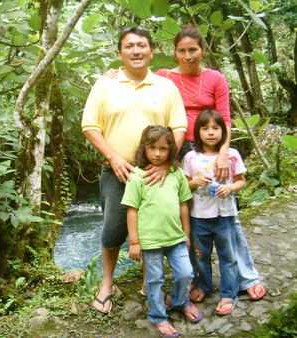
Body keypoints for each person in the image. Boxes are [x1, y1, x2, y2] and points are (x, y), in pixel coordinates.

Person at [104, 25, 266, 302]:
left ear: (202, 50)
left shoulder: (215, 78)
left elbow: (224, 119)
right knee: (189, 215)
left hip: (211, 148)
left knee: (228, 216)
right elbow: (131, 78)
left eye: (193, 50)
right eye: (182, 50)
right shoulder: (165, 77)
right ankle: (195, 278)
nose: (188, 56)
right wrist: (111, 74)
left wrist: (224, 153)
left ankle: (246, 276)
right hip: (176, 150)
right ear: (174, 53)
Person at [81, 26, 188, 314]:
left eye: (142, 45)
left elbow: (178, 126)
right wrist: (114, 158)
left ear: (152, 51)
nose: (136, 51)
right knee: (112, 230)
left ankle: (149, 281)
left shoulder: (166, 86)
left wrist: (166, 162)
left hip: (155, 172)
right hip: (117, 171)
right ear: (120, 53)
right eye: (129, 46)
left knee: (153, 228)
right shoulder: (106, 85)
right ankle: (107, 283)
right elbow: (90, 126)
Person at [122, 125, 202, 337]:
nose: (158, 153)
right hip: (150, 241)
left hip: (175, 237)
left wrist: (186, 233)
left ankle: (180, 302)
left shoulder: (175, 175)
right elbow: (132, 210)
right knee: (154, 279)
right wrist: (134, 242)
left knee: (185, 272)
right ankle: (158, 316)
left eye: (163, 149)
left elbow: (184, 204)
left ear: (171, 150)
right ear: (144, 149)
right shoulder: (137, 176)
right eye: (153, 148)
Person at [182, 109, 245, 315]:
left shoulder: (232, 155)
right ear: (197, 132)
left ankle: (229, 292)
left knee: (228, 255)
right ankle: (204, 285)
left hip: (225, 215)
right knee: (200, 255)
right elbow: (184, 188)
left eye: (216, 128)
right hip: (199, 217)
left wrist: (230, 188)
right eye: (205, 128)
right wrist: (195, 182)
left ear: (223, 131)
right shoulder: (191, 157)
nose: (211, 133)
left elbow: (241, 181)